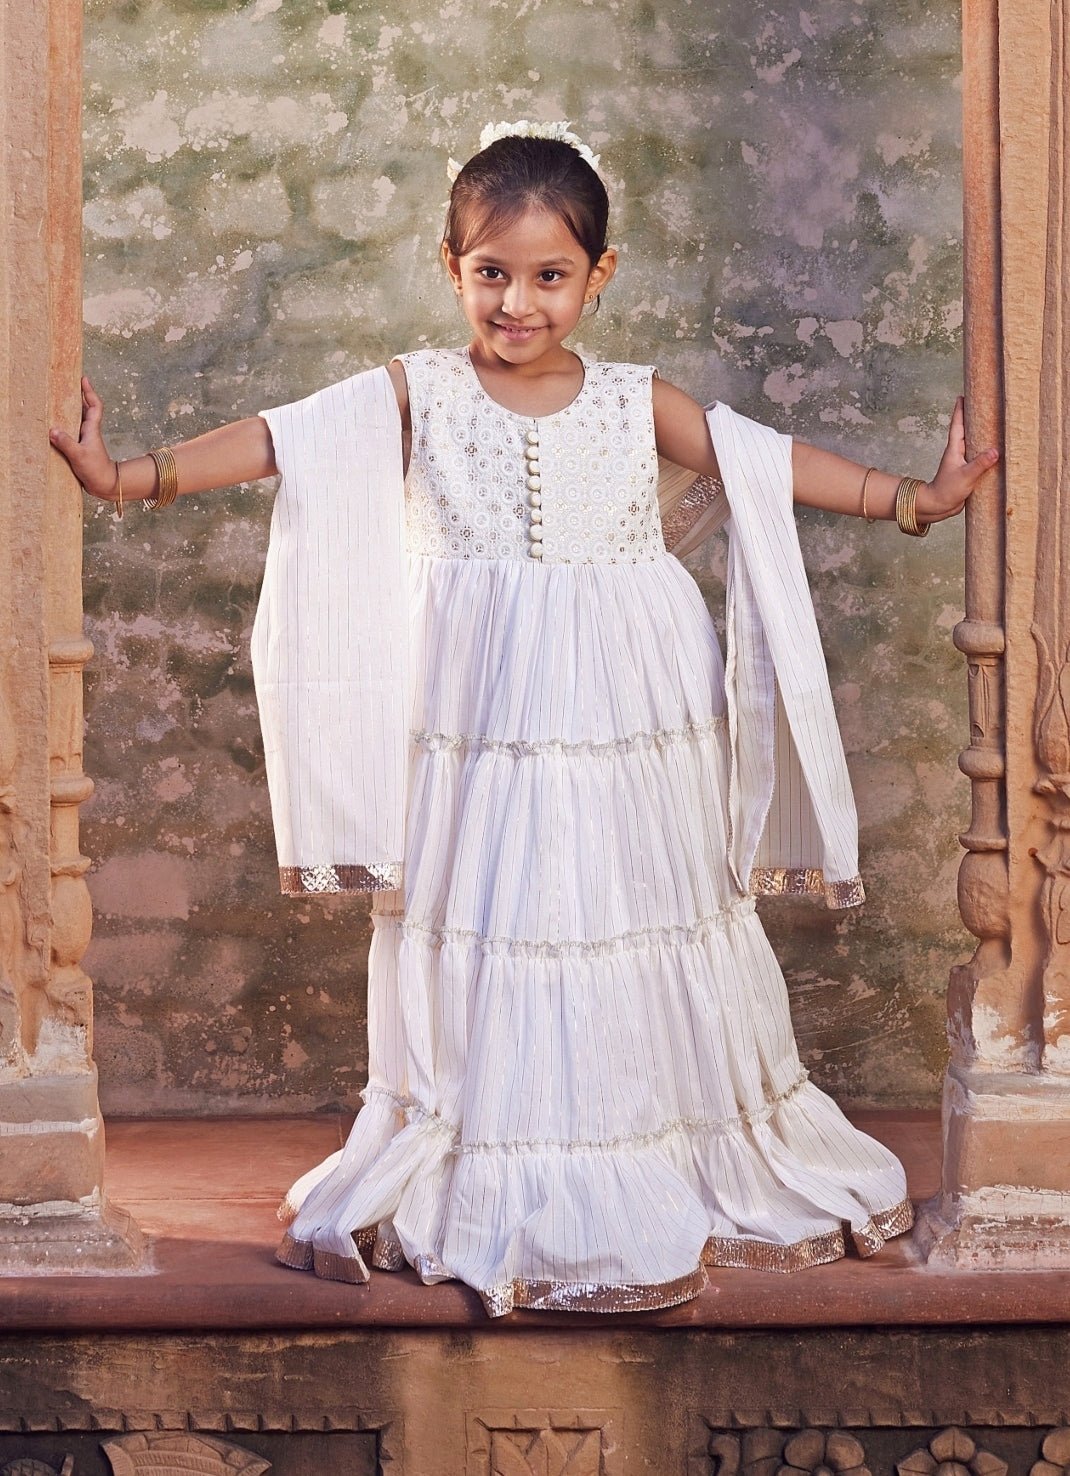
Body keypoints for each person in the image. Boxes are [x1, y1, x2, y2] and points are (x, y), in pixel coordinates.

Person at [51, 121, 998, 1318]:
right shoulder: (417, 393)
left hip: (624, 710)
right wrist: (126, 475)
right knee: (490, 911)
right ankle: (494, 1146)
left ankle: (643, 1134)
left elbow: (765, 465)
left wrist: (916, 498)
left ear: (597, 275)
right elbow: (281, 440)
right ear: (448, 266)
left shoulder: (634, 401)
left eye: (549, 275)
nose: (517, 303)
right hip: (478, 716)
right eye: (491, 272)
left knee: (625, 905)